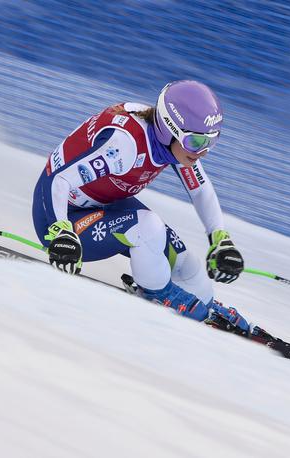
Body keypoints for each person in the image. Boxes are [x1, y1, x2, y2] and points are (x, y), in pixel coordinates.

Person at [32, 80, 269, 341]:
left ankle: (198, 302)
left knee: (187, 266)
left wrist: (220, 239)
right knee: (148, 227)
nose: (203, 151)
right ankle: (157, 294)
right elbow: (58, 181)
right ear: (170, 130)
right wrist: (61, 232)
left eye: (212, 141)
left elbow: (200, 189)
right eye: (196, 142)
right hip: (62, 215)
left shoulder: (173, 145)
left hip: (105, 205)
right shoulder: (125, 146)